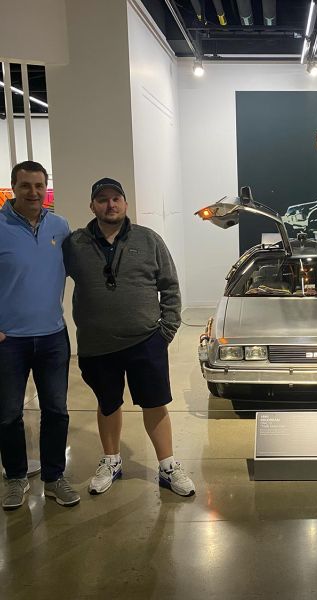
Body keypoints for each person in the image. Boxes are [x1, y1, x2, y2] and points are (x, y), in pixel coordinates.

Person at [63, 178, 195, 498]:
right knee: (108, 403)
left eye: (116, 198)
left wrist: (166, 330)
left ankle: (167, 465)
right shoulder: (75, 244)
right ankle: (111, 460)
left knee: (155, 403)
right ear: (92, 206)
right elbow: (45, 279)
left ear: (125, 203)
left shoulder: (148, 239)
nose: (110, 205)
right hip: (97, 344)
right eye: (102, 199)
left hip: (146, 340)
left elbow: (170, 286)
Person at [0, 161, 80, 510]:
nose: (33, 192)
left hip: (52, 337)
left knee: (56, 411)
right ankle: (16, 477)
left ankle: (54, 477)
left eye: (39, 186)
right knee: (8, 414)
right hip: (9, 341)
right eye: (25, 185)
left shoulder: (59, 226)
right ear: (13, 188)